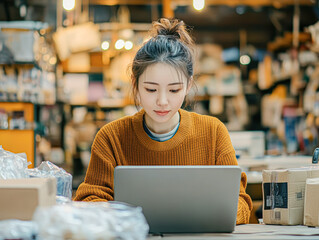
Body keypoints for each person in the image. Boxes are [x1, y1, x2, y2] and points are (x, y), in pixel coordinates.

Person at [74, 18, 252, 224]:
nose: (162, 101)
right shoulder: (111, 137)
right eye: (151, 89)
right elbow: (89, 200)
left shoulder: (213, 132)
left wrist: (212, 216)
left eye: (174, 90)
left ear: (188, 85)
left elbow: (240, 202)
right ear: (135, 84)